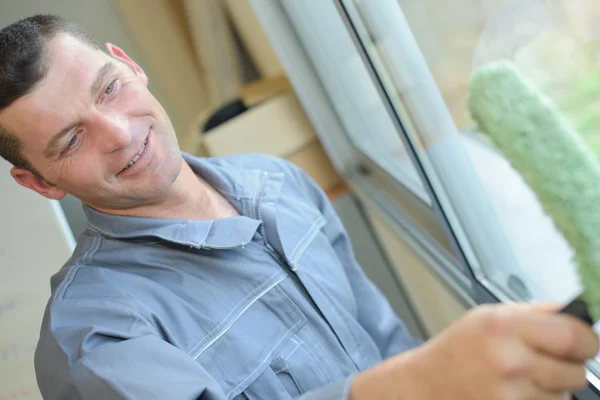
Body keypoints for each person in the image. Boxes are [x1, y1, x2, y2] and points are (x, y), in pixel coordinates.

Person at [0, 14, 597, 400]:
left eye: (110, 87)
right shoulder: (95, 338)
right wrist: (426, 379)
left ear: (130, 64)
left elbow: (385, 345)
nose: (120, 133)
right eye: (71, 140)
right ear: (40, 183)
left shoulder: (278, 182)